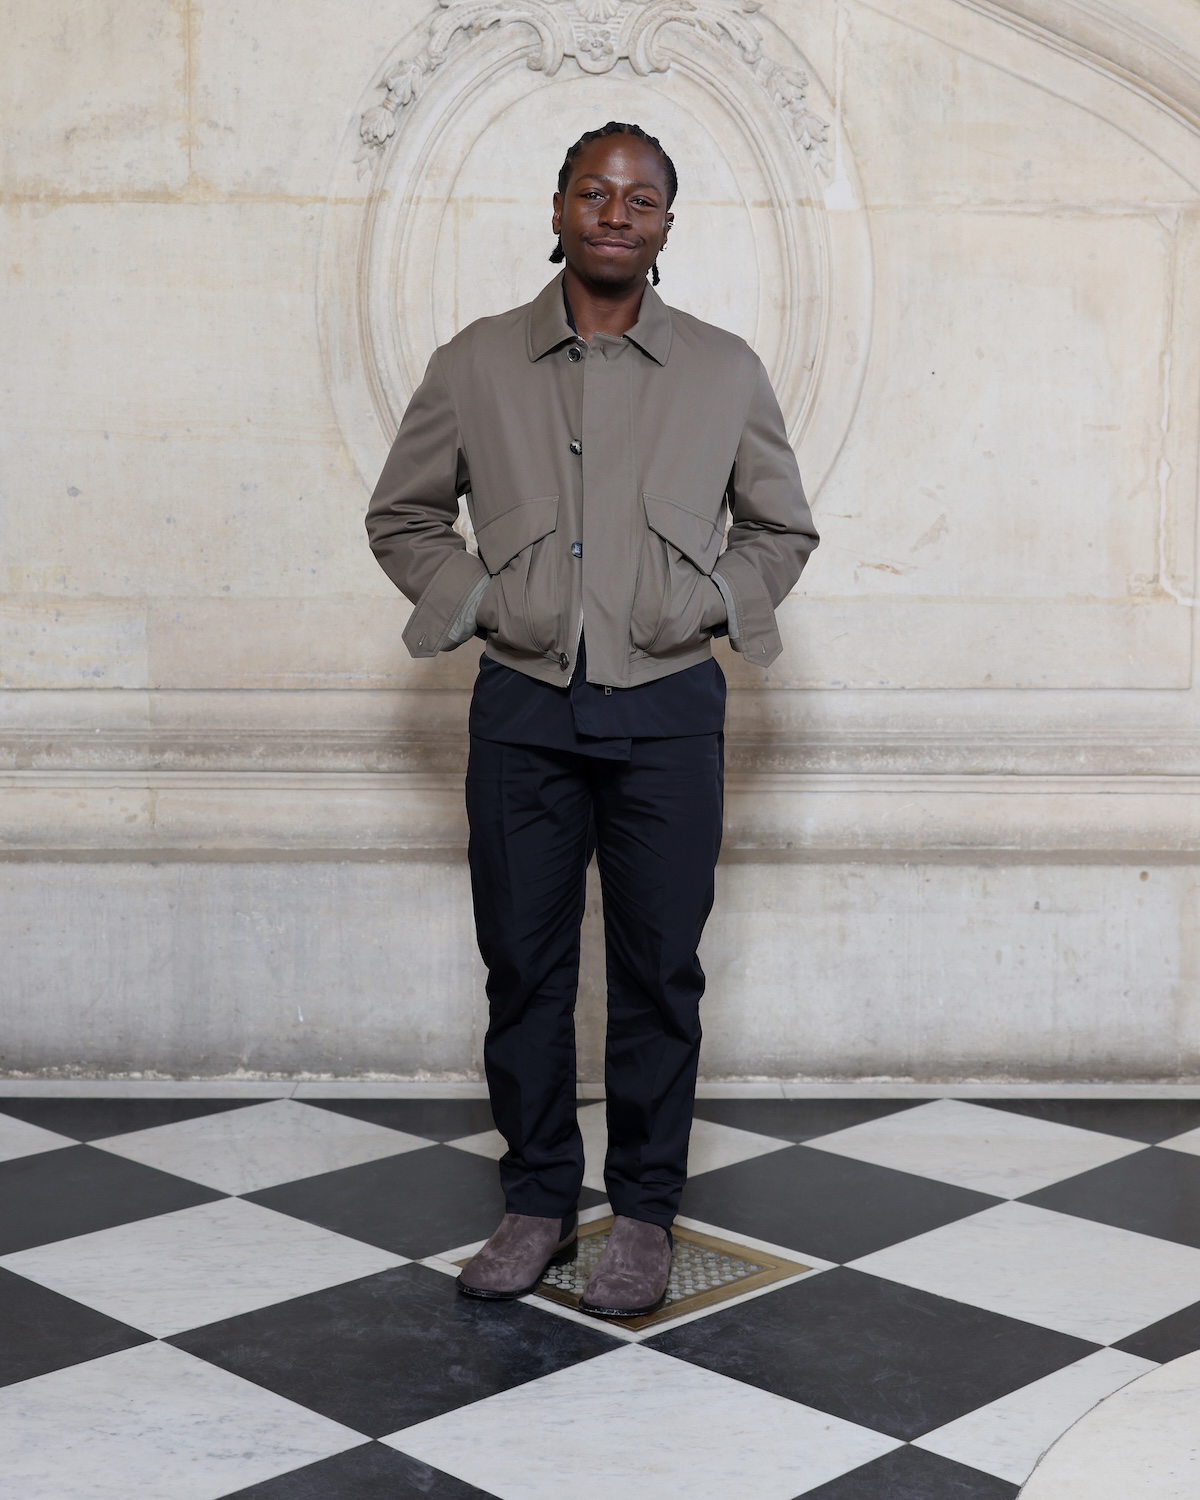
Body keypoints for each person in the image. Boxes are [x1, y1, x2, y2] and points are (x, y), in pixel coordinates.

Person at [366, 121, 818, 1317]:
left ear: (667, 225)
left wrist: (704, 604)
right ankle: (536, 1202)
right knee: (524, 967)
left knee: (660, 972)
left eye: (642, 198)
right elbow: (403, 516)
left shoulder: (725, 371)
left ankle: (647, 1214)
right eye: (595, 191)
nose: (618, 213)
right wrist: (488, 603)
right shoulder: (475, 363)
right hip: (523, 708)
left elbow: (782, 529)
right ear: (558, 207)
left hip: (669, 709)